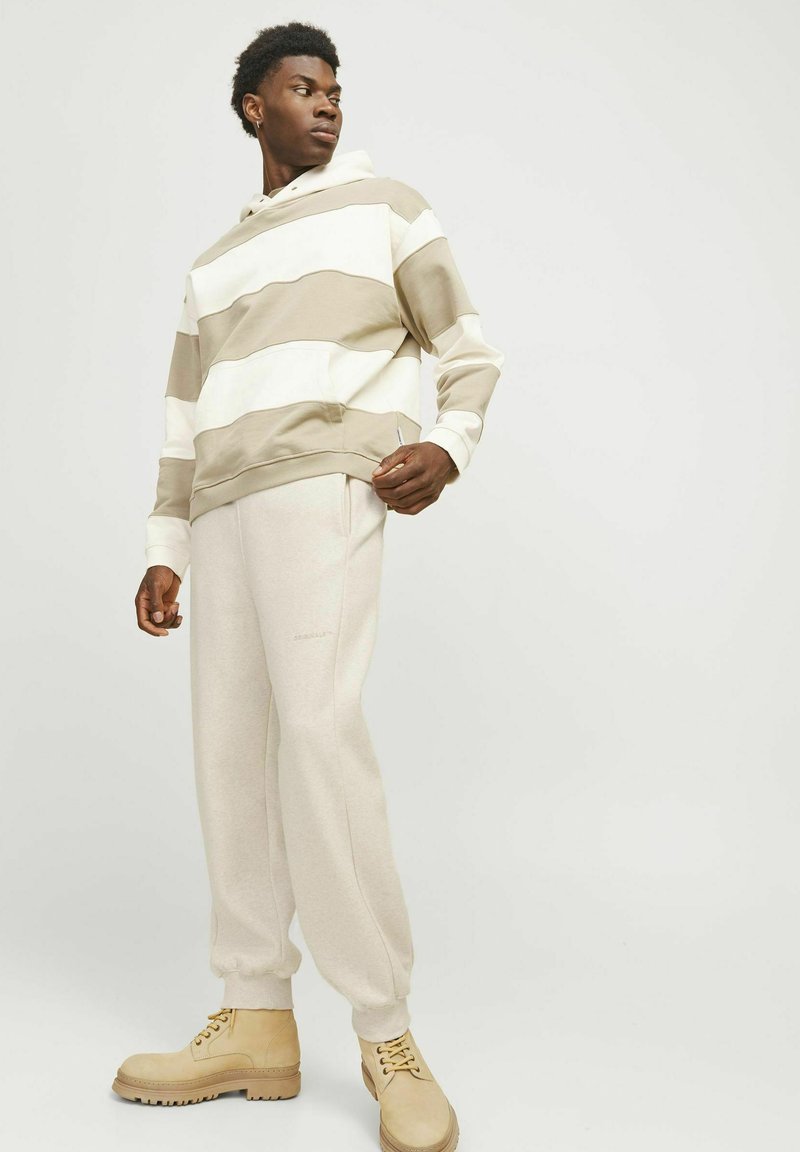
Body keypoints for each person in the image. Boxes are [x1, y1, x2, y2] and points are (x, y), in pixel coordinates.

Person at [113, 21, 503, 1152]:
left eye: (333, 88)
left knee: (319, 738)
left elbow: (468, 351)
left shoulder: (387, 209)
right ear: (254, 107)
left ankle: (386, 1030)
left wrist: (449, 447)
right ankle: (255, 1016)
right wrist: (165, 543)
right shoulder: (213, 264)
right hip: (222, 509)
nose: (326, 103)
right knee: (230, 751)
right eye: (301, 87)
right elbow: (182, 417)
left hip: (323, 488)